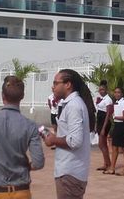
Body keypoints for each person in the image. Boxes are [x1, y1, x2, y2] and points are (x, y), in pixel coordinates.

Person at [0, 75, 45, 198]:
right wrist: (26, 168)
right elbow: (38, 163)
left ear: (2, 95)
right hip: (22, 191)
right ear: (22, 96)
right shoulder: (30, 126)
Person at [42, 69, 95, 199]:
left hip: (70, 174)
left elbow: (75, 141)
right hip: (69, 172)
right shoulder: (70, 104)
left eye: (56, 83)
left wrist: (53, 140)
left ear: (68, 85)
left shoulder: (74, 106)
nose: (52, 87)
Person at [105, 87, 124, 176]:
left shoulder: (123, 103)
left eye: (119, 92)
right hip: (117, 125)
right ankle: (112, 168)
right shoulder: (117, 102)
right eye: (115, 92)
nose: (116, 94)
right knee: (114, 146)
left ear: (122, 94)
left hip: (122, 125)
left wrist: (115, 117)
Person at [94, 80, 113, 171]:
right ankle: (106, 163)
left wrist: (103, 128)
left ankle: (108, 164)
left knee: (102, 144)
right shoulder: (100, 99)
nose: (101, 91)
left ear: (106, 90)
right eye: (100, 90)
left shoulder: (108, 99)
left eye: (103, 89)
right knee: (101, 144)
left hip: (105, 122)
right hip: (100, 121)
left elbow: (108, 114)